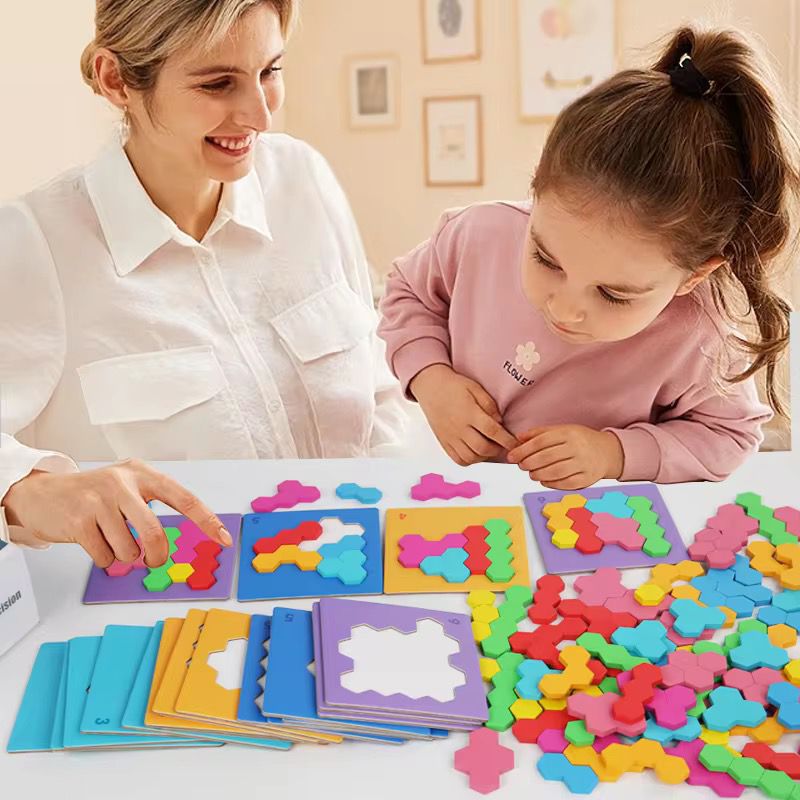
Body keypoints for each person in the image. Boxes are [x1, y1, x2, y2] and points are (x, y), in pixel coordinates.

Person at [0, 0, 406, 566]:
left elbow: (374, 382)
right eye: (218, 84)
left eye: (270, 72)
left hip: (357, 571)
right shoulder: (32, 242)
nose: (260, 116)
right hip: (168, 621)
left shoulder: (303, 179)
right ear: (116, 80)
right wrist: (25, 490)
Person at [379, 26, 799, 489]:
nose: (563, 309)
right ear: (536, 186)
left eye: (614, 295)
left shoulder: (701, 334)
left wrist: (614, 453)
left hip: (586, 533)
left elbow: (730, 435)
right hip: (444, 493)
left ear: (694, 275)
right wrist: (430, 377)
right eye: (545, 259)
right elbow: (408, 293)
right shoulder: (479, 234)